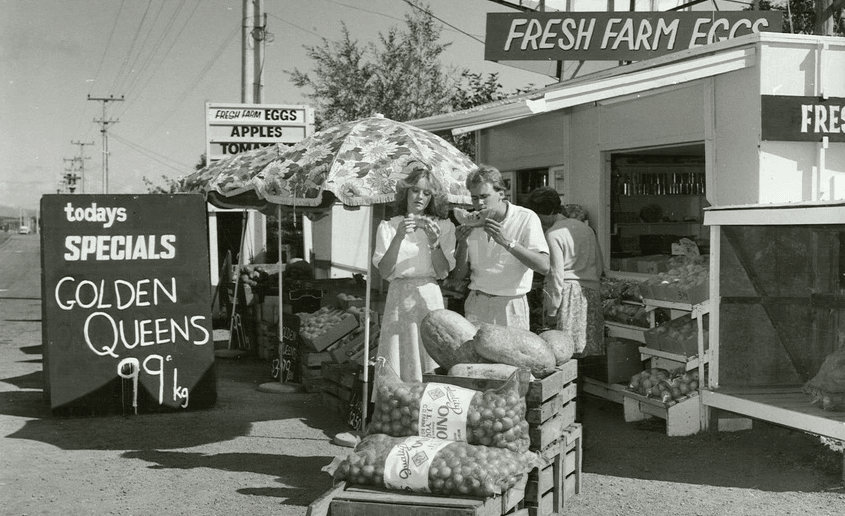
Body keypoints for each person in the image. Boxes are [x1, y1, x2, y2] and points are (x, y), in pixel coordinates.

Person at [371, 165, 457, 383]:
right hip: (399, 296)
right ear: (406, 192)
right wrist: (398, 237)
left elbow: (443, 272)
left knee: (430, 355)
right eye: (416, 190)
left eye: (427, 193)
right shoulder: (389, 226)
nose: (420, 197)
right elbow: (384, 271)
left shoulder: (443, 226)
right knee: (398, 354)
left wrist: (434, 243)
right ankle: (397, 406)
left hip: (428, 296)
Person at [451, 165, 549, 330]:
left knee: (511, 355)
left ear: (501, 194)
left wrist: (507, 242)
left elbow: (544, 266)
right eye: (474, 198)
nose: (479, 203)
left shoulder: (526, 218)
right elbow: (458, 276)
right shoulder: (472, 222)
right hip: (477, 302)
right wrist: (462, 244)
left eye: (484, 196)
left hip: (510, 304)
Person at [527, 186, 605, 356]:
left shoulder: (553, 234)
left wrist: (552, 310)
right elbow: (599, 266)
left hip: (566, 296)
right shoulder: (586, 229)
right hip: (590, 295)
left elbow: (556, 275)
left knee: (564, 352)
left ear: (545, 214)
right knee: (586, 350)